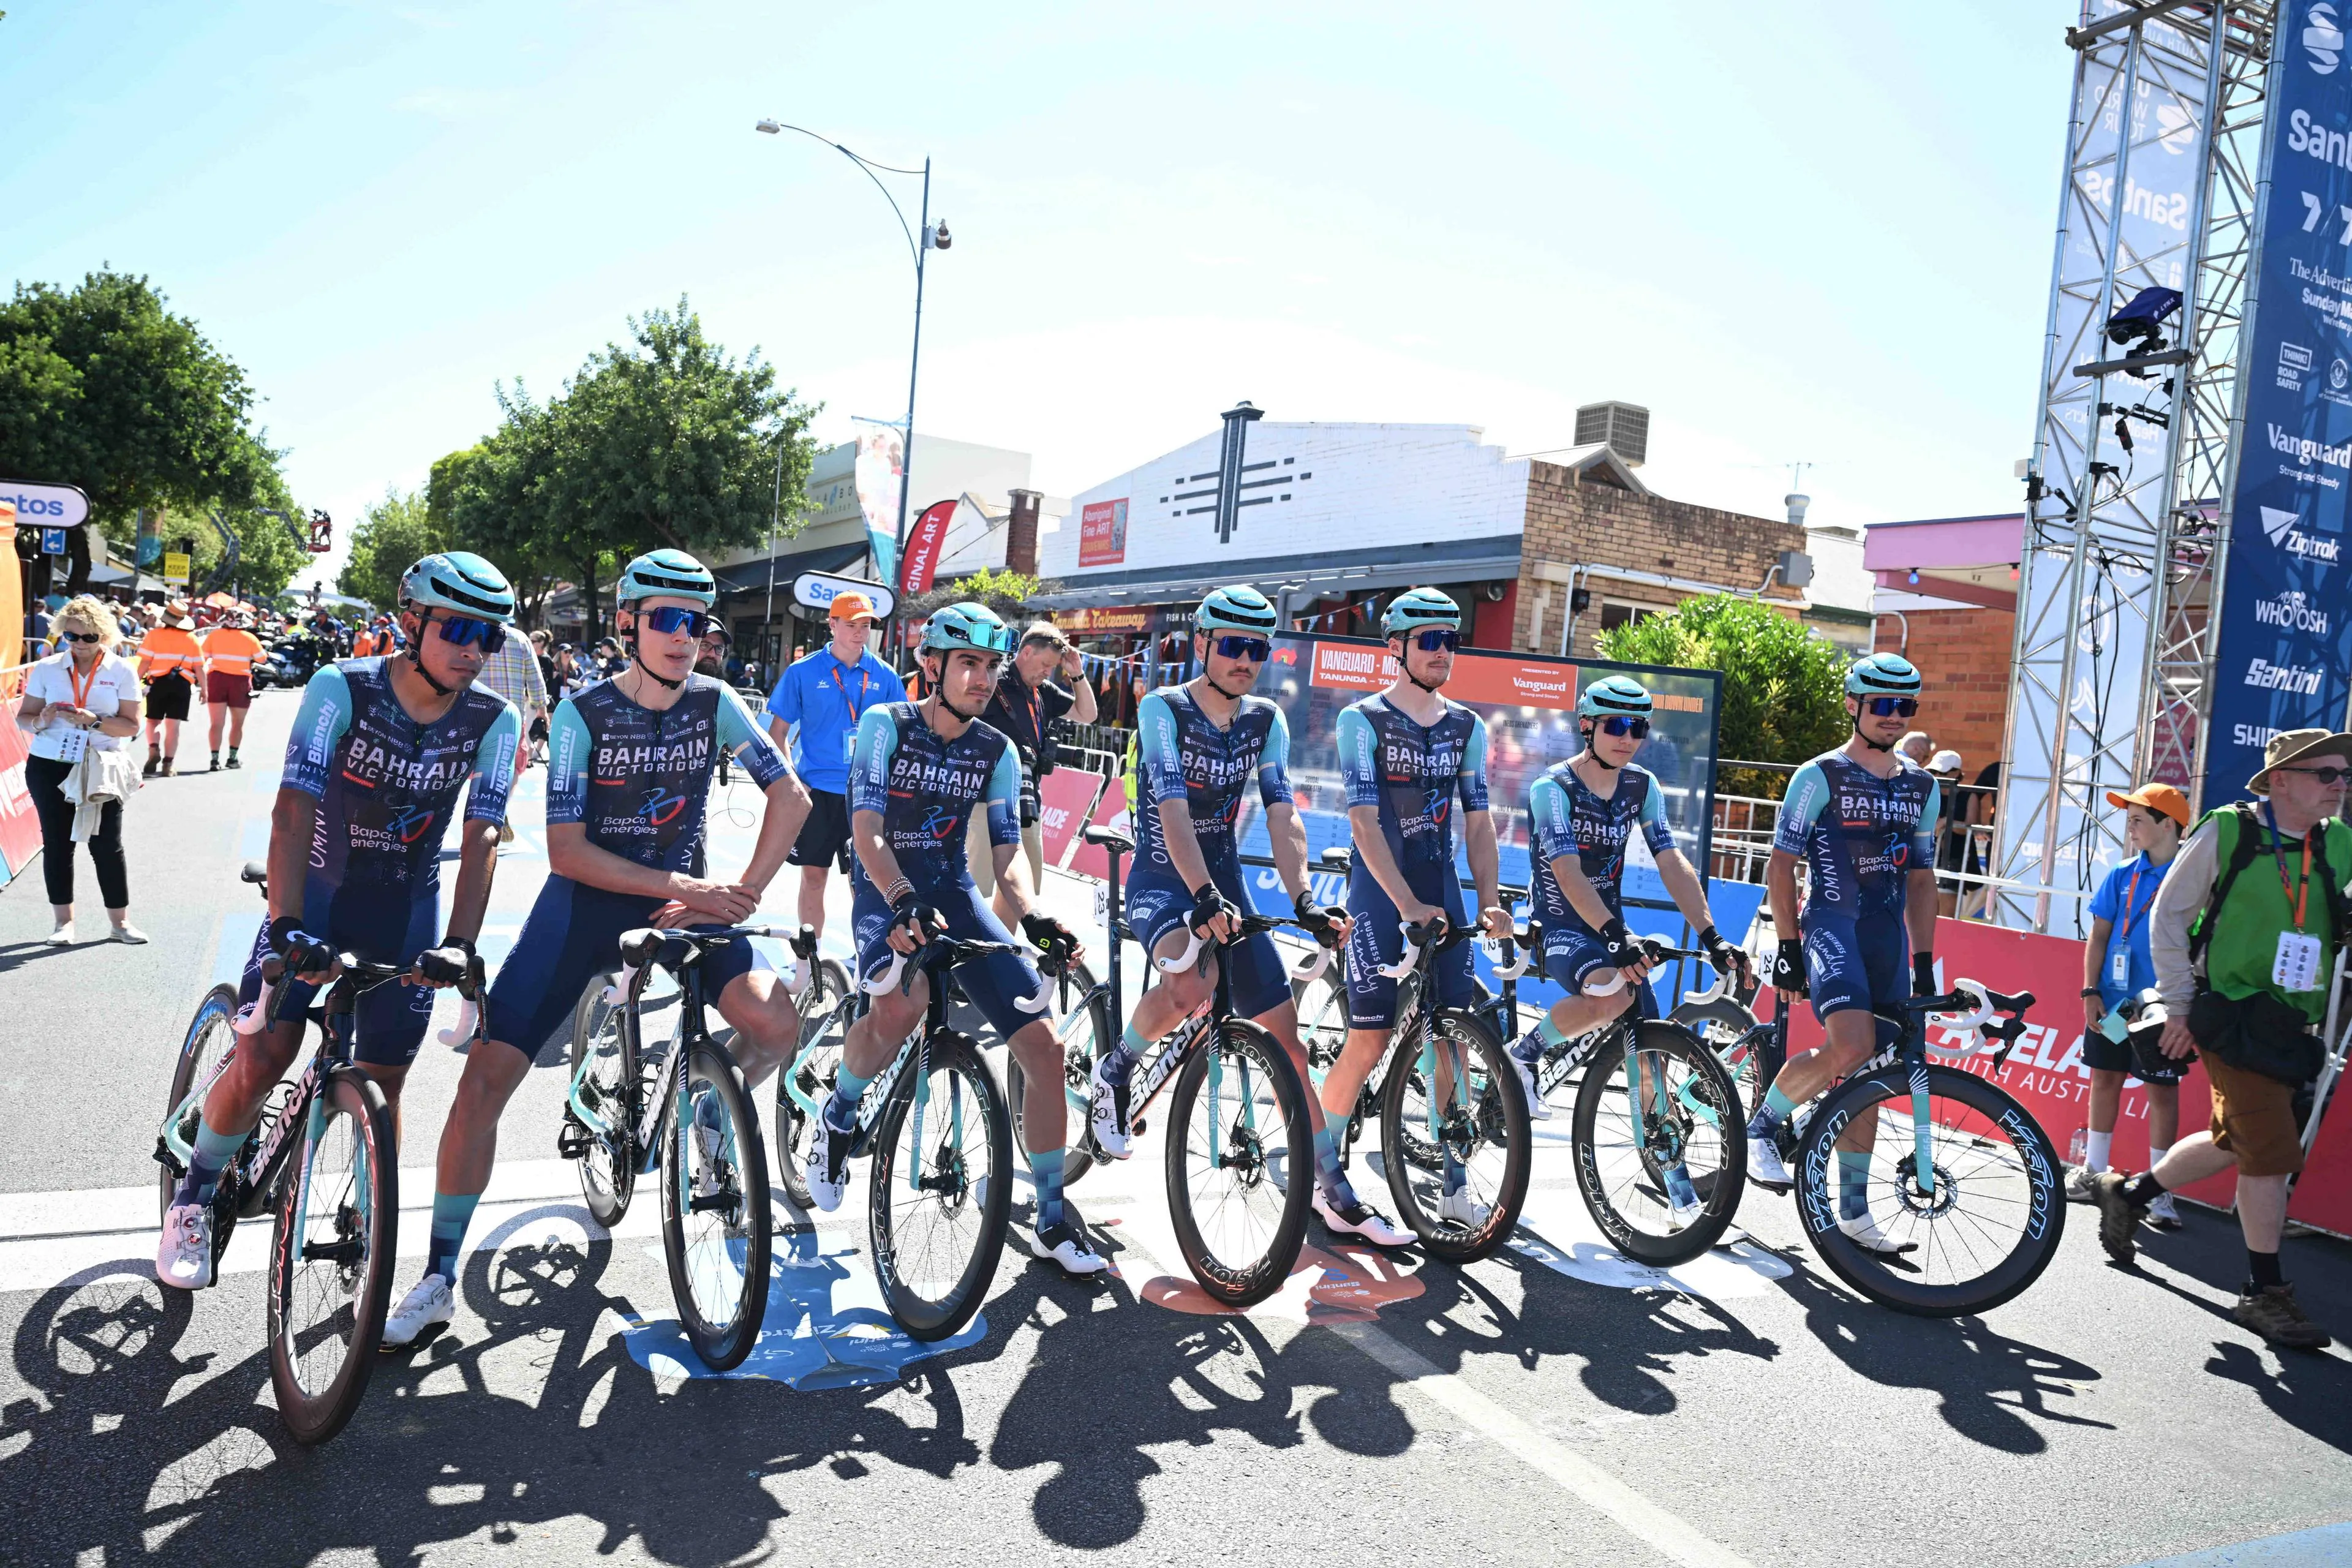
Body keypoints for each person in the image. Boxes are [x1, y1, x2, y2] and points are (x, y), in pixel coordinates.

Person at [382, 548, 810, 1348]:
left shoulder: (718, 704)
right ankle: (438, 1274)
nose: (686, 637)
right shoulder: (581, 715)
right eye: (667, 620)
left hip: (687, 905)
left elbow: (792, 794)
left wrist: (740, 890)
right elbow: (566, 852)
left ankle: (711, 1108)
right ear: (628, 624)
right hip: (583, 909)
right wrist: (696, 891)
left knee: (779, 1028)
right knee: (483, 1085)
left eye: (698, 623)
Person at [153, 554, 524, 1291]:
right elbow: (293, 806)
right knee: (266, 1056)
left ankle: (364, 1201)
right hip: (318, 895)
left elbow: (483, 833)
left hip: (404, 909)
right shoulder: (342, 687)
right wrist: (287, 922)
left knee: (385, 1081)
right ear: (411, 622)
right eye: (456, 628)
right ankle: (193, 1196)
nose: (473, 649)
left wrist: (459, 943)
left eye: (488, 635)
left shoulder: (495, 717)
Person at [802, 602, 1100, 1276]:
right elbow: (868, 830)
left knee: (1045, 1047)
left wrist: (1032, 914)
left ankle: (1052, 1216)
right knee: (900, 1009)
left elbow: (1007, 852)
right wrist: (902, 898)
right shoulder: (887, 725)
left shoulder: (995, 749)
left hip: (956, 893)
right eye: (968, 663)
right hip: (888, 890)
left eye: (991, 666)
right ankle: (839, 1113)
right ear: (931, 664)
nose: (982, 678)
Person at [1086, 586, 1357, 1207]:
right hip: (1162, 877)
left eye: (1257, 649)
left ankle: (1330, 1181)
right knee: (1190, 986)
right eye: (1233, 646)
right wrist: (1203, 893)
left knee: (1286, 1037)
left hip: (1224, 882)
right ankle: (1118, 1067)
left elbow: (1284, 814)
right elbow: (1174, 809)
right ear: (1202, 643)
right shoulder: (1163, 709)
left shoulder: (1266, 718)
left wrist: (1305, 898)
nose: (1245, 660)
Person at [2095, 730, 2351, 1351]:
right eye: (2325, 773)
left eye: (2345, 774)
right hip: (2228, 1012)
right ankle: (2264, 1292)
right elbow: (2169, 916)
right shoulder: (2228, 831)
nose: (2340, 784)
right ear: (2281, 780)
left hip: (2292, 1020)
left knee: (2233, 1141)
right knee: (2268, 1148)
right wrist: (2180, 1005)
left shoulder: (2339, 842)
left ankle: (2129, 1193)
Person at [1507, 676, 1753, 1205]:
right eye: (1616, 726)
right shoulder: (1552, 788)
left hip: (1610, 926)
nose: (1628, 737)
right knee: (1615, 993)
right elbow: (1568, 872)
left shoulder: (1641, 786)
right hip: (1561, 924)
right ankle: (1524, 1054)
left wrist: (1713, 938)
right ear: (1586, 726)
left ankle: (1674, 1178)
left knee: (1652, 1059)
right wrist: (1618, 937)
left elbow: (1671, 862)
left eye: (1638, 727)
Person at [1325, 587, 1512, 1248]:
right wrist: (1405, 904)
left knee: (1451, 1037)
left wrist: (1489, 900)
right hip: (1382, 893)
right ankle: (1324, 1176)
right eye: (1428, 640)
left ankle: (1456, 1178)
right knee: (1369, 1038)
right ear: (1395, 648)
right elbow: (1364, 822)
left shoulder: (1467, 726)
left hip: (1443, 888)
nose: (1441, 651)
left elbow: (1481, 824)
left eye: (1450, 640)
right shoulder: (1362, 721)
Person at [1743, 652, 1941, 1253]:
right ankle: (1761, 1126)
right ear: (1853, 705)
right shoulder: (1819, 776)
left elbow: (1923, 880)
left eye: (1904, 707)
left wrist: (1925, 962)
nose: (1892, 717)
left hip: (1887, 937)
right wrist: (1788, 946)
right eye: (1881, 705)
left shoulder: (1924, 786)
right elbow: (1781, 864)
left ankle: (1854, 1212)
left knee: (1873, 1074)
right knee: (1853, 1044)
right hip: (1831, 924)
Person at [2065, 783, 2190, 1228]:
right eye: (2129, 817)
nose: (2130, 825)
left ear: (2168, 825)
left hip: (2162, 1009)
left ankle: (2160, 1194)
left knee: (2161, 1092)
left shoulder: (2191, 878)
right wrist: (2089, 992)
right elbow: (2098, 937)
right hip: (2116, 1006)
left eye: (2139, 818)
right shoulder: (2121, 874)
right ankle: (2094, 1174)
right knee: (2105, 1078)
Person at [765, 591, 906, 944]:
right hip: (818, 794)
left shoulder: (885, 676)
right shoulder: (803, 672)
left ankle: (871, 957)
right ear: (832, 625)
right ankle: (810, 958)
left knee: (868, 884)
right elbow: (778, 733)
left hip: (866, 795)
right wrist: (792, 784)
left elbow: (902, 736)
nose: (860, 633)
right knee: (814, 877)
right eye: (851, 625)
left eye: (866, 626)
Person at [12, 595, 146, 945]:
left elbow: (132, 726)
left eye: (89, 638)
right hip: (50, 764)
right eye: (71, 637)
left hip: (101, 765)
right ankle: (63, 924)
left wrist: (96, 721)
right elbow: (23, 718)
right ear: (61, 635)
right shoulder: (47, 668)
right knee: (57, 845)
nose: (80, 645)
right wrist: (41, 721)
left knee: (106, 845)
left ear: (104, 636)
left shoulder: (121, 670)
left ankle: (121, 924)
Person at [969, 621, 1099, 911]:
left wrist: (1076, 674)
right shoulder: (993, 680)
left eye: (1053, 668)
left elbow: (1088, 715)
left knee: (1020, 889)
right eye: (1045, 664)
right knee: (976, 886)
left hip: (1026, 800)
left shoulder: (1044, 692)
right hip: (983, 798)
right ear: (1026, 652)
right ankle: (971, 950)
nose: (1048, 672)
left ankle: (1005, 951)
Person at [473, 607, 551, 843]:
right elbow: (536, 678)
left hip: (478, 714)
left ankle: (481, 811)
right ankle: (500, 805)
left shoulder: (477, 634)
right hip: (512, 718)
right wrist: (541, 709)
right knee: (513, 766)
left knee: (479, 764)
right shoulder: (521, 639)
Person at [136, 603, 203, 778]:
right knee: (173, 726)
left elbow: (144, 662)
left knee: (153, 721)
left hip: (158, 683)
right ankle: (168, 764)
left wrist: (135, 682)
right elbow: (199, 668)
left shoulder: (154, 635)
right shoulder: (192, 638)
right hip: (182, 684)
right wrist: (205, 689)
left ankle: (153, 749)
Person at [199, 613, 264, 771]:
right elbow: (262, 659)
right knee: (238, 723)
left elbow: (203, 658)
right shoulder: (250, 638)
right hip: (240, 681)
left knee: (216, 723)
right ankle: (232, 759)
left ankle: (214, 760)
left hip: (216, 680)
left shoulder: (214, 636)